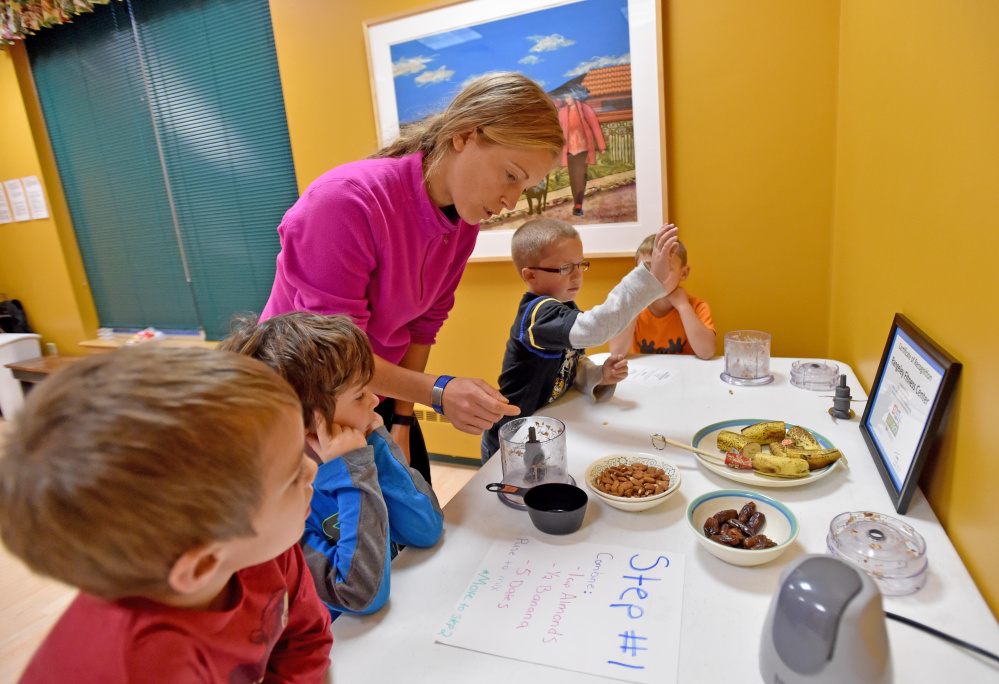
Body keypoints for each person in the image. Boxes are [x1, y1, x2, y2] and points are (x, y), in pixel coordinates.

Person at [261, 72, 565, 483]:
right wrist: (437, 392)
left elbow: (423, 327)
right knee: (345, 537)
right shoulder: (345, 202)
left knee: (416, 523)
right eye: (510, 175)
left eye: (525, 187)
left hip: (373, 394)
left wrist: (402, 422)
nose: (511, 202)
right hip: (301, 404)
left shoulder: (462, 224)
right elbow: (333, 355)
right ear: (463, 135)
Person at [0, 347, 333, 683]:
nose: (312, 469)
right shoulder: (142, 666)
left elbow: (307, 640)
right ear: (203, 564)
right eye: (293, 477)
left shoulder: (257, 546)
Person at [219, 313, 444, 620]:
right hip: (342, 647)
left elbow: (426, 529)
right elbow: (360, 595)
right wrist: (354, 472)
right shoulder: (281, 510)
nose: (376, 400)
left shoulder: (362, 454)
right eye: (360, 395)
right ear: (312, 422)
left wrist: (375, 445)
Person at [481, 219, 681, 461]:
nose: (577, 276)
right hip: (513, 440)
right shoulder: (538, 316)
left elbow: (569, 365)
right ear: (531, 275)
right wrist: (649, 279)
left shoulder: (563, 306)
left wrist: (598, 375)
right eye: (565, 268)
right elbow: (594, 328)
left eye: (580, 265)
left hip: (544, 430)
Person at [609, 236, 716, 359]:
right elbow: (617, 352)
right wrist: (635, 304)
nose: (656, 276)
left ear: (684, 273)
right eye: (647, 268)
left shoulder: (697, 307)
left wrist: (683, 307)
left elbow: (707, 352)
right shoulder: (630, 306)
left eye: (666, 268)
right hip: (645, 374)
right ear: (636, 273)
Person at [558, 85, 606, 217]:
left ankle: (578, 205)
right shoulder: (562, 112)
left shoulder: (585, 109)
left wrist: (601, 146)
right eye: (564, 97)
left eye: (568, 96)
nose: (566, 99)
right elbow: (558, 130)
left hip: (582, 149)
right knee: (574, 178)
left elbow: (595, 127)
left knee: (580, 177)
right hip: (569, 151)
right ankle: (577, 203)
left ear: (574, 96)